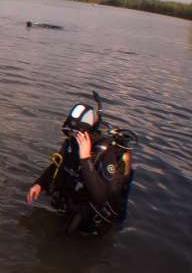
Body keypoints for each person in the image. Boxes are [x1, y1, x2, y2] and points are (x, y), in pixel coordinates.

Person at [27, 98, 134, 235]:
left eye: (76, 133)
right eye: (70, 132)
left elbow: (101, 196)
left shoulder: (105, 152)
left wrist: (85, 159)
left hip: (92, 223)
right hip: (71, 206)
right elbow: (57, 167)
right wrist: (39, 184)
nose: (72, 136)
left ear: (86, 133)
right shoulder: (71, 144)